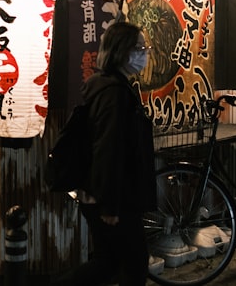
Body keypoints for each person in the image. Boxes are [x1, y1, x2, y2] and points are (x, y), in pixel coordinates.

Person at [53, 21, 156, 286]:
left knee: (107, 262)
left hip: (103, 194)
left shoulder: (104, 85)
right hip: (113, 199)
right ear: (122, 52)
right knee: (133, 265)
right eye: (140, 47)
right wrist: (111, 205)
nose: (145, 53)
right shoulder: (114, 94)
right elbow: (108, 149)